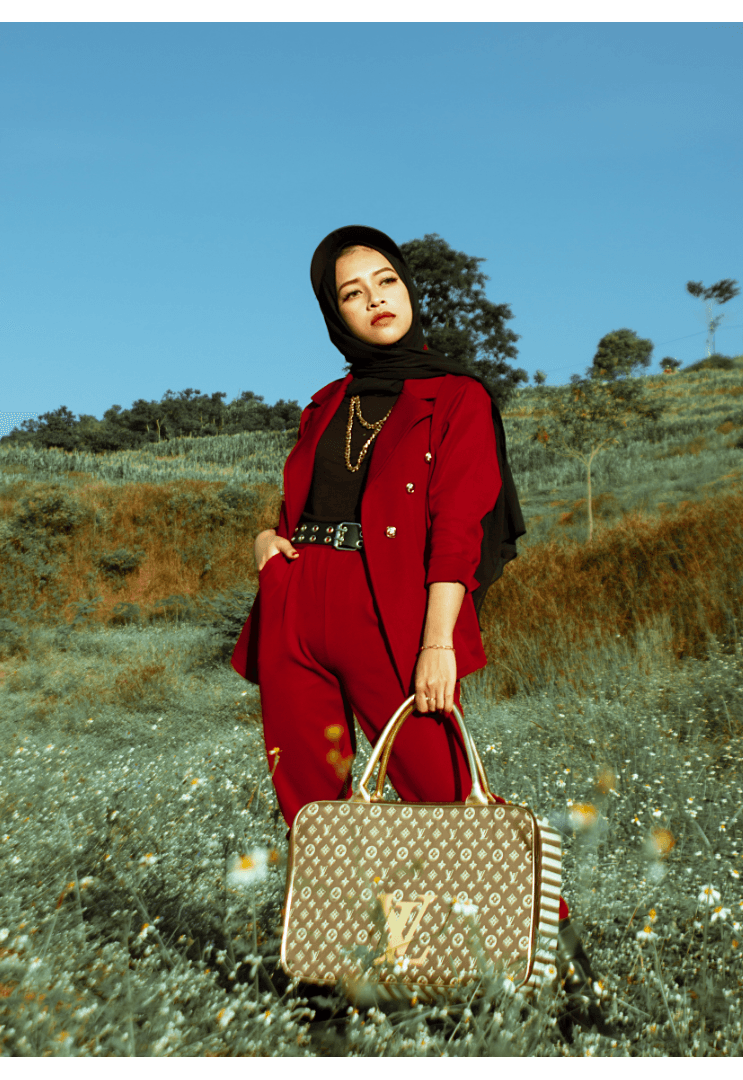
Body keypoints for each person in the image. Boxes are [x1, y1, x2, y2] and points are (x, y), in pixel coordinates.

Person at [231, 225, 610, 1038]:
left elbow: (455, 529)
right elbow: (305, 502)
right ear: (333, 313)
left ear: (409, 287)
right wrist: (267, 546)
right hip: (297, 606)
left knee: (448, 791)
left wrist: (438, 641)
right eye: (351, 292)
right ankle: (330, 986)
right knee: (311, 805)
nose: (374, 301)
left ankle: (567, 971)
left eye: (385, 281)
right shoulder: (323, 405)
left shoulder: (456, 396)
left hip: (393, 614)